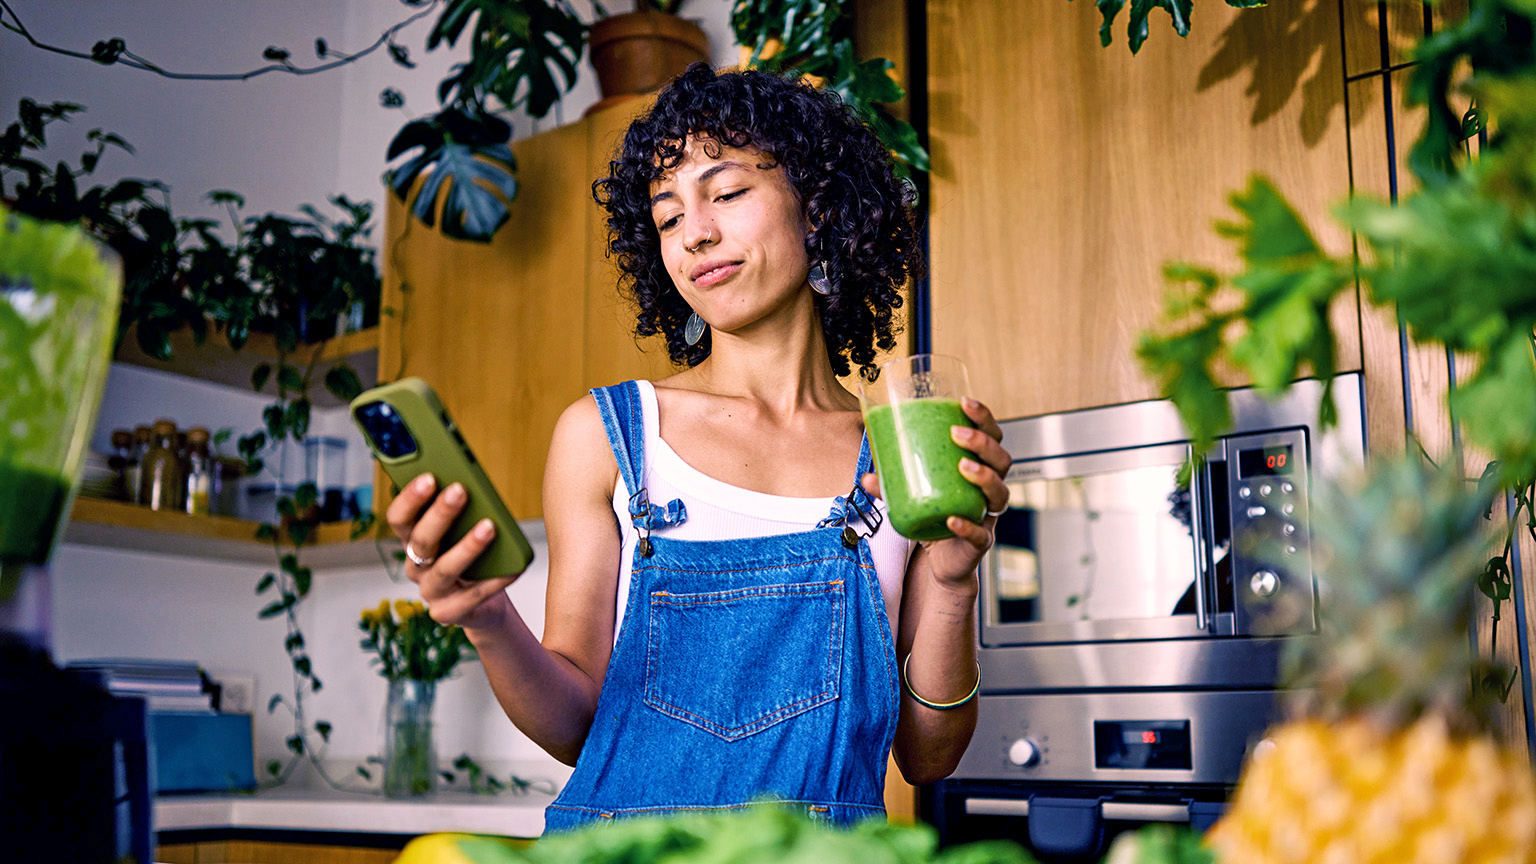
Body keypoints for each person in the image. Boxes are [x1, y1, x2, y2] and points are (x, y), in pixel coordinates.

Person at [386, 62, 1013, 830]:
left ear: (817, 207)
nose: (697, 234)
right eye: (668, 215)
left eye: (726, 192)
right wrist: (487, 619)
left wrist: (953, 582)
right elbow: (573, 723)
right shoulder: (609, 437)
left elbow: (928, 756)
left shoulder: (895, 457)